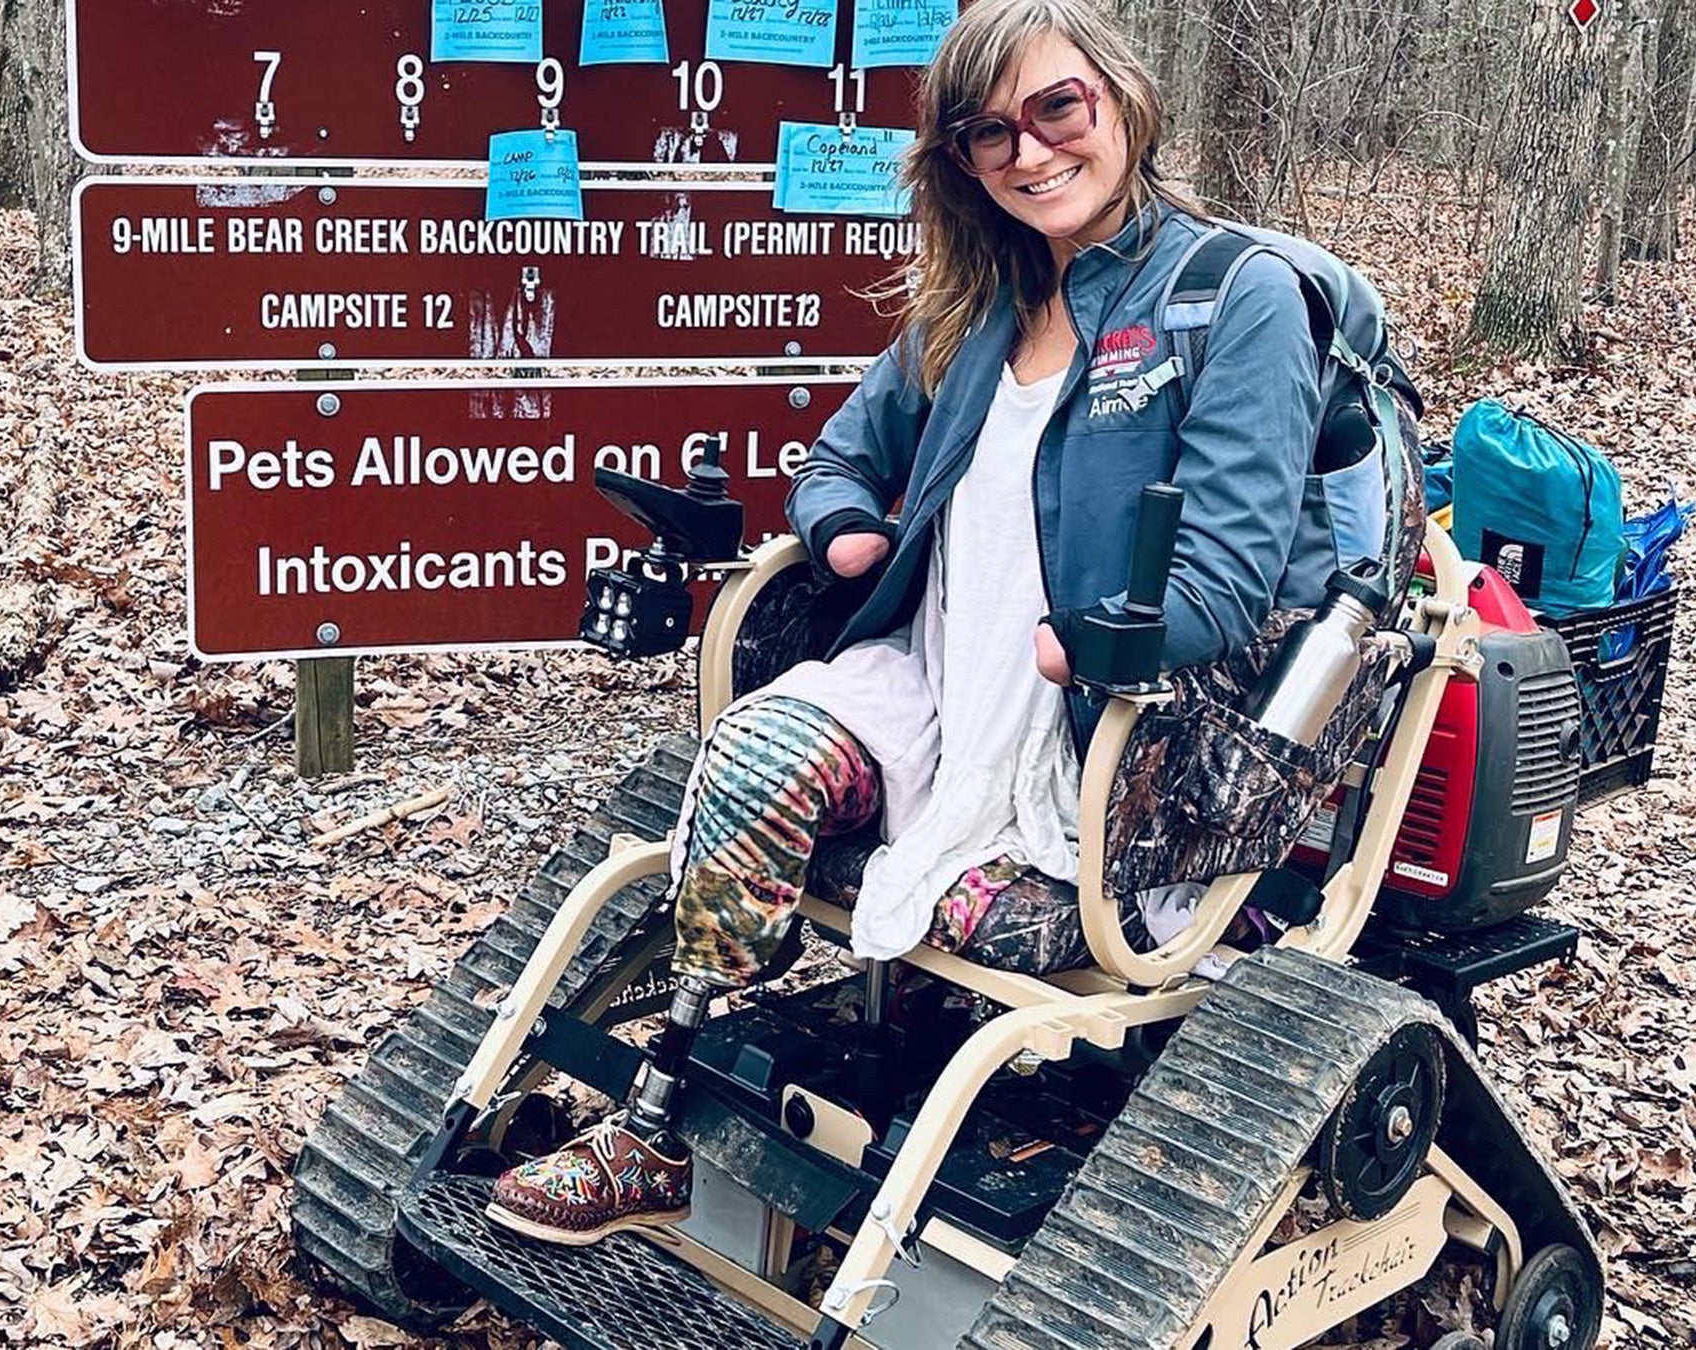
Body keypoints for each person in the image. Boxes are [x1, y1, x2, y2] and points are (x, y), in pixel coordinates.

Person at [484, 0, 1406, 1246]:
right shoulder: (974, 303)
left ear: (1120, 98)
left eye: (1056, 110)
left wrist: (1109, 639)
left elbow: (1232, 578)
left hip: (1104, 742)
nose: (1030, 154)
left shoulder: (1232, 301)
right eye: (988, 134)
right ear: (960, 162)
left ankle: (851, 1177)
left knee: (978, 912)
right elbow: (837, 458)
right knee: (750, 759)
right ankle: (658, 1117)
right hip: (928, 685)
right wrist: (842, 522)